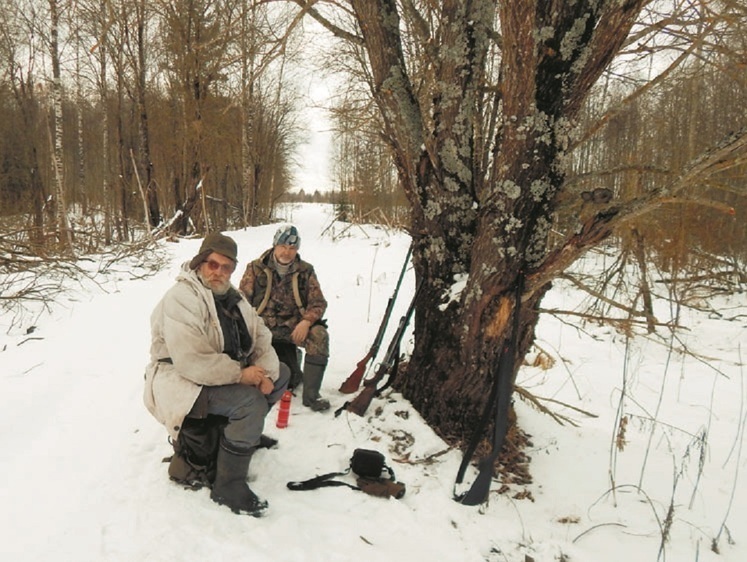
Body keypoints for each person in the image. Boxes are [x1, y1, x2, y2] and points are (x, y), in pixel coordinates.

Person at [143, 232, 290, 517]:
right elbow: (193, 361)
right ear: (200, 262)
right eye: (212, 264)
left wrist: (267, 374)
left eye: (226, 267)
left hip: (215, 374)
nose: (218, 272)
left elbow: (261, 335)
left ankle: (242, 436)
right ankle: (228, 485)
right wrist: (241, 374)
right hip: (181, 380)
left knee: (282, 373)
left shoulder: (231, 296)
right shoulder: (182, 298)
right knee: (250, 403)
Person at [239, 225, 331, 412]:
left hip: (294, 328)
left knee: (319, 335)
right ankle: (244, 385)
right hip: (262, 328)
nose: (287, 252)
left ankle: (311, 397)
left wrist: (306, 322)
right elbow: (241, 302)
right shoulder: (255, 269)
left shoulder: (306, 271)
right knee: (239, 336)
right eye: (283, 246)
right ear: (274, 245)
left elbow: (318, 303)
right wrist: (250, 327)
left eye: (292, 248)